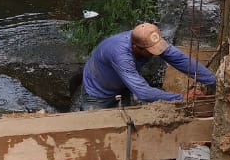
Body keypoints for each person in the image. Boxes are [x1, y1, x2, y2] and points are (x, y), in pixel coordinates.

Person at [74, 22, 216, 111]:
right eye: (151, 51)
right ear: (136, 47)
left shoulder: (148, 39)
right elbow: (143, 93)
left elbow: (180, 60)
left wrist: (213, 80)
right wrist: (183, 97)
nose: (155, 53)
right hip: (97, 94)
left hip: (121, 86)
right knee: (95, 135)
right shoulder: (120, 54)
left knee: (123, 125)